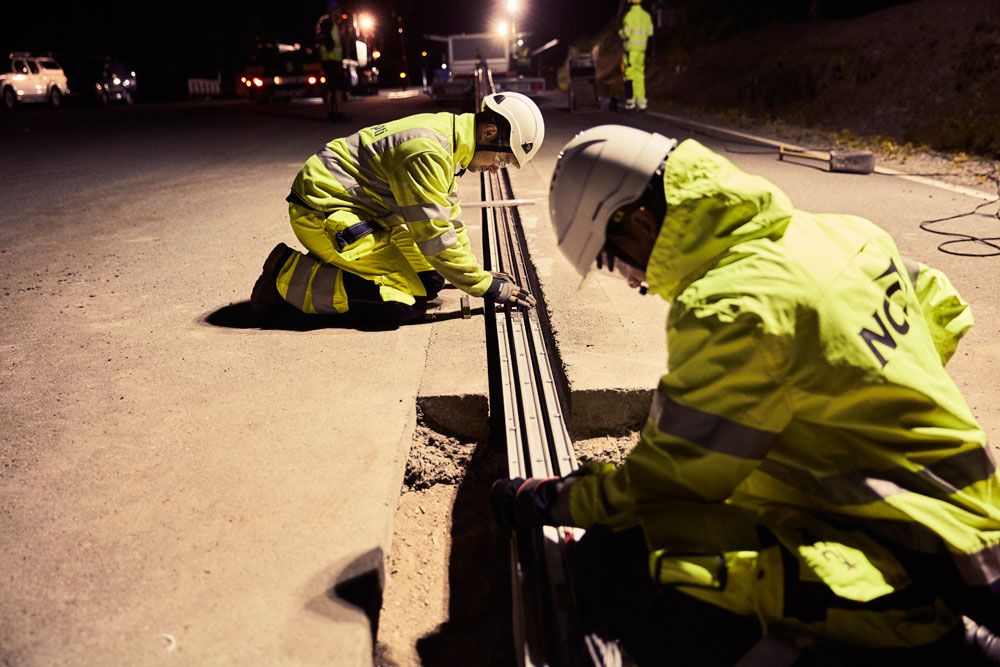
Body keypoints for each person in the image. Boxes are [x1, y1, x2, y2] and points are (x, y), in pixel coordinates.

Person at [491, 125, 1000, 664]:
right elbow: (941, 303)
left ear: (639, 221)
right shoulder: (839, 233)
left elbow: (665, 483)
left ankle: (935, 648)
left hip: (921, 548)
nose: (632, 281)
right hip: (972, 515)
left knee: (622, 562)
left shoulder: (731, 306)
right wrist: (859, 406)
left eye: (615, 261)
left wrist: (548, 499)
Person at [249, 92, 543, 327]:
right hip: (321, 212)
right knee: (402, 304)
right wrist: (486, 287)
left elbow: (449, 221)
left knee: (430, 280)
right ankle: (283, 279)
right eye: (502, 161)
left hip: (361, 212)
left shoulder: (450, 141)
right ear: (490, 132)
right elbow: (435, 235)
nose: (496, 170)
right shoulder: (428, 152)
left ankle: (345, 264)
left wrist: (478, 275)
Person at [619, 0, 654, 112]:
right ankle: (642, 103)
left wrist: (620, 32)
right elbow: (650, 32)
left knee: (629, 74)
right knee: (639, 75)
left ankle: (630, 102)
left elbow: (626, 33)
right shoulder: (646, 16)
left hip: (631, 50)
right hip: (642, 50)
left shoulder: (629, 16)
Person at [317, 8, 348, 121]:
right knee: (338, 87)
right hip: (333, 60)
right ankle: (338, 113)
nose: (340, 14)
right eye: (338, 11)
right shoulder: (330, 24)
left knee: (330, 87)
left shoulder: (326, 24)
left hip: (327, 61)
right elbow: (329, 41)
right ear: (333, 12)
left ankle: (331, 113)